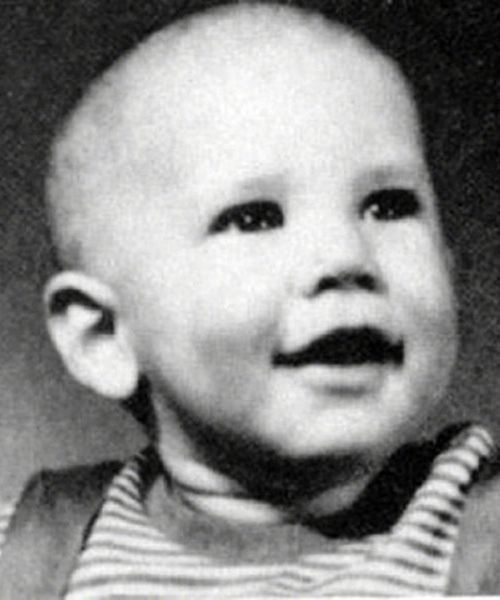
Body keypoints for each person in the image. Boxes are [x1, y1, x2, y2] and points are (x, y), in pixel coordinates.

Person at [0, 0, 499, 596]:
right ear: (104, 336)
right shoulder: (27, 552)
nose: (346, 257)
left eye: (388, 205)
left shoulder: (481, 529)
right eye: (254, 218)